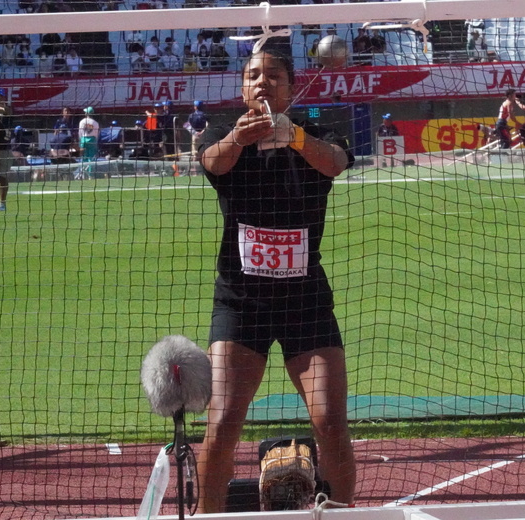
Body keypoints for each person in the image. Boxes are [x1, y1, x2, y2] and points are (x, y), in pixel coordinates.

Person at [195, 47, 357, 514]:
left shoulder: (318, 134)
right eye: (253, 76)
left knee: (330, 422)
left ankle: (344, 513)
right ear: (242, 88)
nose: (262, 83)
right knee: (222, 422)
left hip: (305, 304)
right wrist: (244, 140)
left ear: (291, 86)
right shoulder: (225, 132)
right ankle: (209, 514)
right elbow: (212, 161)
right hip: (240, 304)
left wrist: (295, 136)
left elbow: (335, 162)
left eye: (273, 76)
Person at [77, 106, 99, 179]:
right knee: (91, 158)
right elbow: (96, 134)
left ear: (86, 113)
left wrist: (80, 141)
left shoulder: (82, 121)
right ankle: (90, 175)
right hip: (92, 140)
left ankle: (83, 174)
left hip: (83, 140)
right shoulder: (95, 123)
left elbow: (80, 132)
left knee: (84, 157)